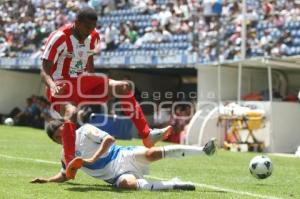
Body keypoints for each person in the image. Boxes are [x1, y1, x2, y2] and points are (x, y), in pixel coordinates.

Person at [40, 7, 172, 180]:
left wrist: (95, 87)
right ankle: (70, 160)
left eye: (93, 27)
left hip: (82, 82)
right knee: (71, 113)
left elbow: (89, 63)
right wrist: (52, 85)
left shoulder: (93, 36)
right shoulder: (59, 37)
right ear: (77, 23)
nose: (90, 31)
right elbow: (44, 69)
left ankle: (147, 135)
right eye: (87, 27)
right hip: (61, 85)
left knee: (124, 87)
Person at [31, 120, 217, 191]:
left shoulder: (85, 130)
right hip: (116, 176)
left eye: (63, 133)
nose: (62, 138)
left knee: (152, 154)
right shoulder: (65, 154)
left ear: (68, 129)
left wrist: (92, 159)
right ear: (56, 141)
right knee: (127, 185)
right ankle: (175, 184)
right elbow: (66, 174)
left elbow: (109, 140)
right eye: (58, 137)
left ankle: (203, 150)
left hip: (121, 156)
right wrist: (47, 180)